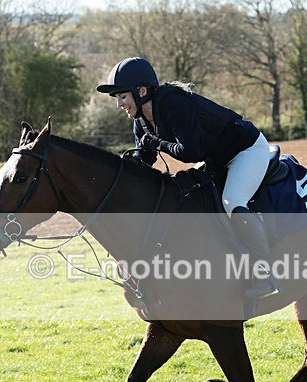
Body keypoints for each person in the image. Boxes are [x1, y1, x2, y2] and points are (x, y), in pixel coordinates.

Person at [96, 57, 282, 300]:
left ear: (141, 91)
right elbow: (145, 158)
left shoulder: (174, 104)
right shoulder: (141, 119)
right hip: (215, 158)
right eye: (117, 98)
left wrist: (158, 143)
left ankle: (265, 275)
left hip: (244, 151)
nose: (120, 104)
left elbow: (189, 152)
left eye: (122, 96)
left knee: (233, 201)